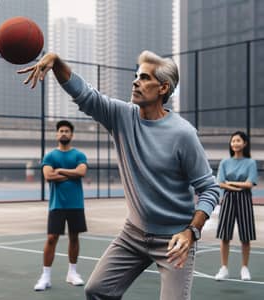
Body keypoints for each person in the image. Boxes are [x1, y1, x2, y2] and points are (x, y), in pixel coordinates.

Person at [18, 50, 220, 300]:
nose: (136, 81)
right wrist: (57, 62)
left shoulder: (183, 134)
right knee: (97, 290)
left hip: (174, 238)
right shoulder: (121, 116)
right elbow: (85, 94)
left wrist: (191, 231)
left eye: (144, 77)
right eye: (136, 76)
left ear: (163, 88)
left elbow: (210, 189)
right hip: (134, 233)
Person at [33, 120, 88, 291]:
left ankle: (72, 273)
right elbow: (48, 176)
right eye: (61, 131)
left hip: (76, 204)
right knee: (51, 238)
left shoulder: (79, 155)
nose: (63, 133)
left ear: (71, 135)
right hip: (56, 205)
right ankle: (46, 276)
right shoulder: (50, 156)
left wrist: (60, 171)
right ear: (57, 134)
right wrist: (71, 174)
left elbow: (82, 172)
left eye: (67, 131)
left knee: (74, 237)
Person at [215, 131, 258, 281]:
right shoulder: (225, 162)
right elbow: (220, 183)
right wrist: (237, 186)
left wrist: (230, 183)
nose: (235, 143)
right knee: (224, 236)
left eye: (238, 141)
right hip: (228, 199)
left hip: (245, 200)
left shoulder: (251, 162)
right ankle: (224, 268)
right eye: (233, 141)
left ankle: (245, 268)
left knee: (245, 236)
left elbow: (249, 184)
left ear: (245, 143)